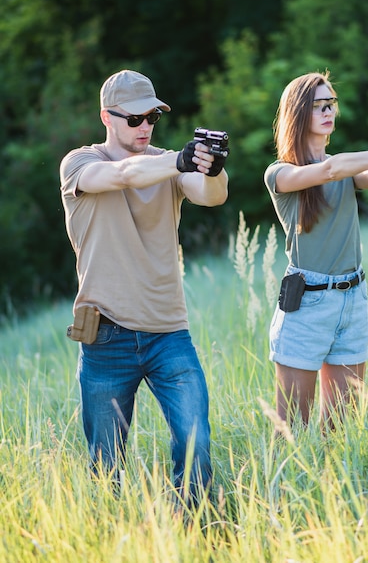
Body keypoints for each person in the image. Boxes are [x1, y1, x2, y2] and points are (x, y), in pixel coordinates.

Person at [60, 69, 229, 505]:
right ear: (107, 117)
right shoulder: (80, 163)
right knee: (105, 468)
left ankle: (196, 536)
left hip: (168, 332)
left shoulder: (169, 162)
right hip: (106, 337)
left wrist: (212, 168)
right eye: (133, 119)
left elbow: (211, 196)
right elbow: (121, 177)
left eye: (152, 117)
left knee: (197, 445)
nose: (145, 126)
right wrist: (179, 160)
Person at [264, 71, 368, 430]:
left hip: (352, 299)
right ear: (297, 113)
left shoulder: (345, 170)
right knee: (290, 432)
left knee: (341, 431)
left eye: (331, 104)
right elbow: (332, 170)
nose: (328, 112)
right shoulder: (280, 173)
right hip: (307, 305)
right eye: (318, 105)